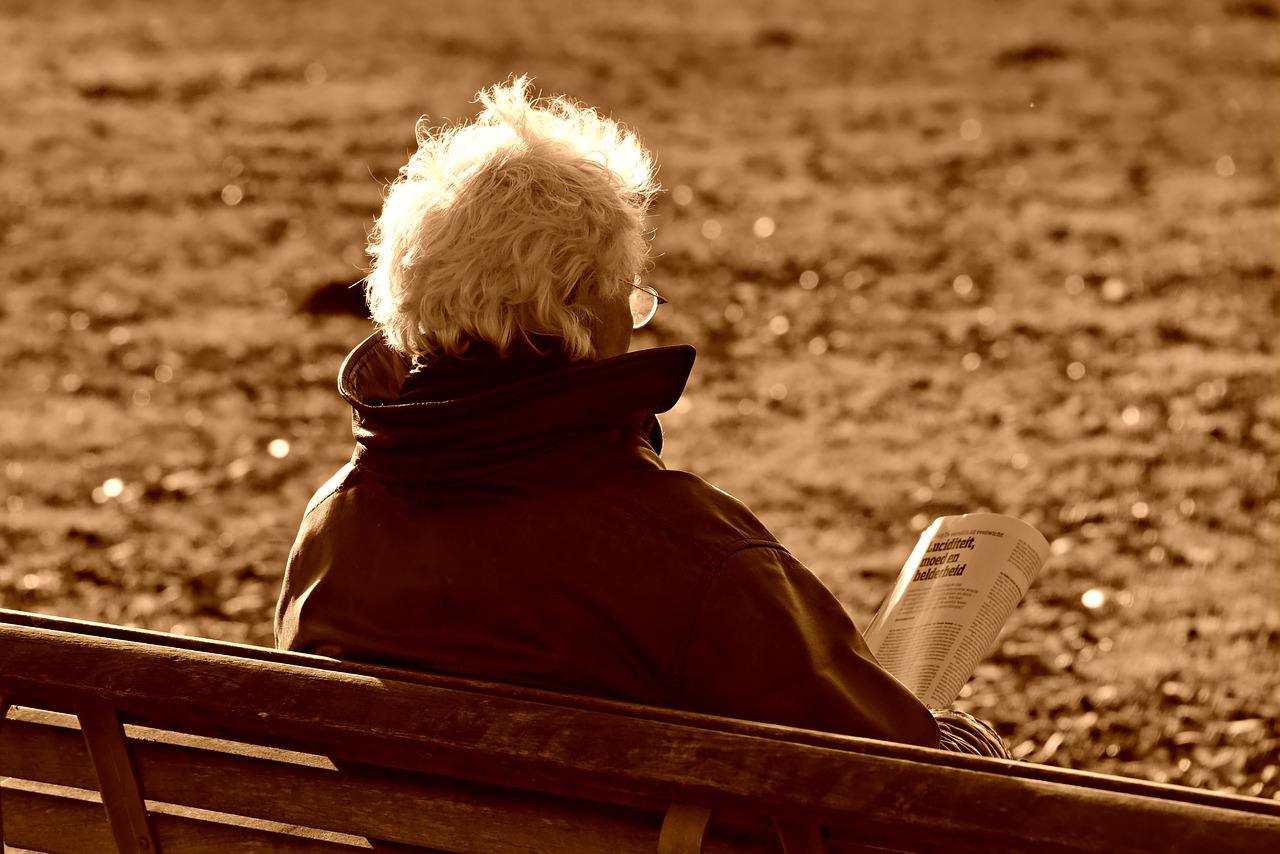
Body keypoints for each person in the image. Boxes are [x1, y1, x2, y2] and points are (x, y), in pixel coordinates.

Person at [276, 77, 982, 752]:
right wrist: (964, 739)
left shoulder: (336, 527)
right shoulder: (691, 559)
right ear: (580, 308)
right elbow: (897, 786)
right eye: (629, 294)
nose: (633, 319)